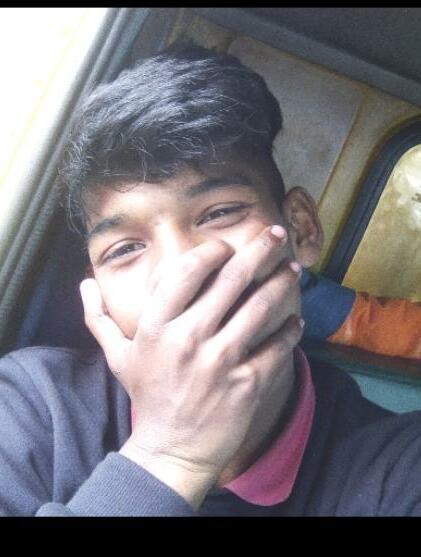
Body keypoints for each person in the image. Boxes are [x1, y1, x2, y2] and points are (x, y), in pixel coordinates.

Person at [2, 42, 421, 517]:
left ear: (301, 229)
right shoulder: (28, 407)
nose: (181, 270)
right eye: (124, 249)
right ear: (97, 293)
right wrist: (169, 454)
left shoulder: (400, 470)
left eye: (220, 213)